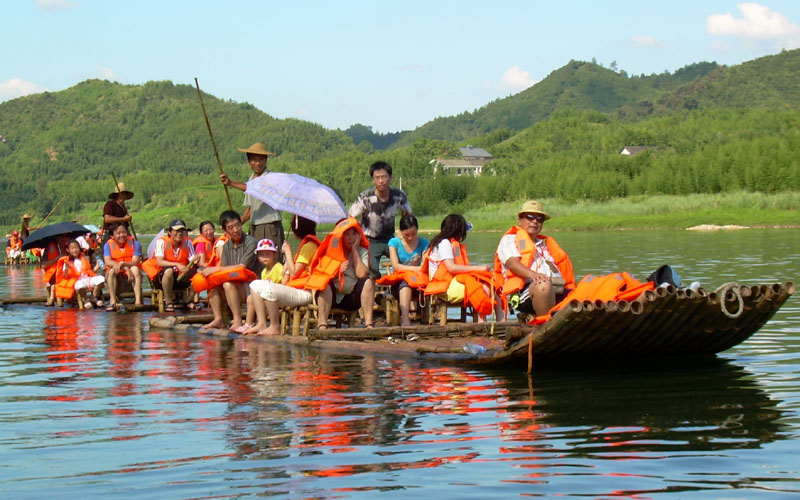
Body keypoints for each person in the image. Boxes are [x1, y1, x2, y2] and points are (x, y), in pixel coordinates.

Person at [494, 200, 575, 318]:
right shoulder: (510, 239)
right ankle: (545, 326)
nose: (535, 221)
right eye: (530, 217)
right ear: (520, 220)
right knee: (543, 285)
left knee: (585, 291)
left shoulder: (544, 245)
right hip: (526, 292)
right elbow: (512, 263)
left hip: (556, 289)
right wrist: (533, 275)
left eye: (539, 219)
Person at [246, 215, 319, 335]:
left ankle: (274, 326)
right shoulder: (308, 245)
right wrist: (288, 262)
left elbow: (294, 272)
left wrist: (288, 252)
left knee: (268, 288)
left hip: (305, 292)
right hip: (298, 289)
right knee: (255, 285)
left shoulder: (309, 246)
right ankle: (261, 323)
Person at [306, 217, 374, 329]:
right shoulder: (329, 251)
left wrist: (354, 251)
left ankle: (369, 324)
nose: (351, 238)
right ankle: (322, 324)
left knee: (368, 282)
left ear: (358, 235)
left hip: (351, 298)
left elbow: (362, 274)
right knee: (324, 284)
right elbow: (320, 275)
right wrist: (337, 271)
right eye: (347, 234)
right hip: (332, 297)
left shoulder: (362, 251)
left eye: (353, 234)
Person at [424, 214, 496, 318]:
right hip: (445, 290)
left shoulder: (445, 242)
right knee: (483, 286)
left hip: (451, 284)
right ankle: (482, 321)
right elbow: (452, 268)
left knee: (490, 281)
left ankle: (498, 320)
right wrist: (479, 268)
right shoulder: (444, 243)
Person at [200, 210, 263, 331]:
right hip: (236, 286)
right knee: (212, 284)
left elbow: (242, 267)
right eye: (231, 227)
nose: (236, 230)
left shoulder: (251, 242)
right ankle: (218, 319)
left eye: (237, 225)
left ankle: (237, 320)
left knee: (228, 284)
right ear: (225, 231)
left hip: (251, 287)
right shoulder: (227, 246)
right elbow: (224, 272)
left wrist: (215, 269)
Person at [349, 161, 412, 279]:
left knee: (406, 262)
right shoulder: (365, 197)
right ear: (373, 179)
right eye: (377, 178)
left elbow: (408, 213)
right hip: (370, 240)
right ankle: (372, 295)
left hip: (390, 238)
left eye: (384, 177)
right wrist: (356, 236)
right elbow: (351, 216)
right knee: (371, 272)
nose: (381, 181)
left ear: (390, 177)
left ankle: (398, 291)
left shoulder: (398, 195)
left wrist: (402, 232)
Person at [219, 142, 285, 252]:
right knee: (256, 261)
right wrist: (234, 226)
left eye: (261, 159)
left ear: (266, 160)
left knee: (270, 260)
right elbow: (250, 209)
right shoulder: (251, 179)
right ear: (249, 161)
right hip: (255, 227)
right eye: (254, 160)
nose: (257, 163)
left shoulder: (270, 178)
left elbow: (255, 189)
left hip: (269, 227)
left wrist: (231, 183)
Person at [377, 214, 429, 326]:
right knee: (405, 284)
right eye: (407, 235)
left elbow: (425, 265)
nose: (410, 238)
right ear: (401, 232)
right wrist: (414, 268)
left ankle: (425, 318)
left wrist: (418, 269)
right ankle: (405, 318)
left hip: (418, 283)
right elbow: (396, 265)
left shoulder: (424, 243)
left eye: (413, 234)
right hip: (400, 283)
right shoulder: (394, 243)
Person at [142, 219, 200, 312]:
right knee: (169, 271)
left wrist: (196, 260)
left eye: (182, 231)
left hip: (181, 277)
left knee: (200, 271)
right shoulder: (161, 242)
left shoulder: (187, 242)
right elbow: (160, 262)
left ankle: (189, 300)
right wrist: (177, 264)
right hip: (164, 277)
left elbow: (192, 259)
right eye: (176, 231)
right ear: (170, 232)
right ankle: (169, 302)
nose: (179, 233)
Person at [239, 239, 283, 333]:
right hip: (266, 297)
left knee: (253, 298)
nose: (265, 257)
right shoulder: (263, 272)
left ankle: (260, 323)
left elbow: (284, 284)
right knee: (250, 298)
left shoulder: (278, 268)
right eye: (262, 255)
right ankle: (249, 323)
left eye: (268, 254)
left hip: (276, 297)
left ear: (274, 254)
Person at [103, 221, 143, 310]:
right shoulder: (108, 245)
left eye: (124, 232)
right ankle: (112, 299)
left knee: (135, 269)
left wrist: (124, 264)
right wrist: (122, 267)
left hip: (131, 266)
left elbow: (135, 261)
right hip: (117, 269)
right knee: (112, 270)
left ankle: (138, 300)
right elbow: (107, 261)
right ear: (112, 236)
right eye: (118, 233)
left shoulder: (134, 243)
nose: (122, 235)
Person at [55, 239, 106, 308]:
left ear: (79, 248)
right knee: (79, 286)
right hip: (77, 281)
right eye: (72, 248)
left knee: (101, 279)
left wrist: (96, 267)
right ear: (68, 250)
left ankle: (93, 296)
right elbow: (64, 276)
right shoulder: (67, 262)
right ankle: (86, 298)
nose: (75, 250)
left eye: (76, 248)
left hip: (88, 279)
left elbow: (89, 271)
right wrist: (66, 269)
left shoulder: (83, 258)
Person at [41, 234, 71, 306]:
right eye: (62, 236)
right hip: (54, 274)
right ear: (57, 238)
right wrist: (58, 257)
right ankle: (52, 297)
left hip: (67, 273)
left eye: (66, 236)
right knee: (55, 280)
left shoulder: (71, 247)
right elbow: (43, 265)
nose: (64, 238)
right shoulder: (49, 248)